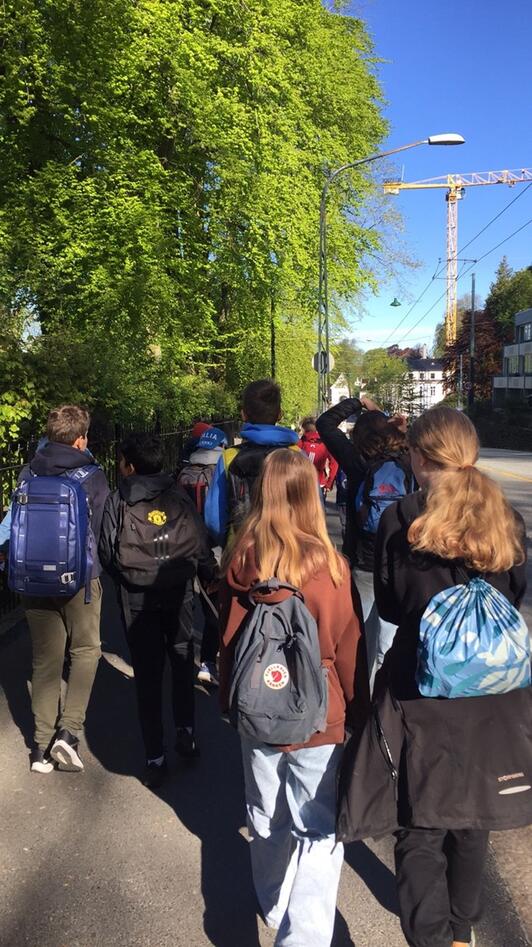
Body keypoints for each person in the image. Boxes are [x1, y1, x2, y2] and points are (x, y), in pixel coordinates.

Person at [337, 407, 532, 947]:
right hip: (493, 689)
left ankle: (430, 936)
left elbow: (391, 607)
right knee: (472, 814)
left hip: (421, 684)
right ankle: (461, 930)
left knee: (419, 818)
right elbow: (517, 592)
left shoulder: (402, 516)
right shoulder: (505, 515)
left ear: (420, 457)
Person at [219, 449, 367, 947]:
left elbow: (228, 641)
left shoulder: (240, 560)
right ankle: (303, 936)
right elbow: (348, 646)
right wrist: (357, 710)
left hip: (258, 707)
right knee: (319, 829)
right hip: (319, 712)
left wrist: (228, 703)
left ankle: (273, 902)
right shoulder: (333, 567)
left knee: (266, 816)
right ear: (310, 495)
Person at [99, 433, 217, 789]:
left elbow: (106, 551)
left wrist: (126, 577)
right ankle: (187, 731)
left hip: (137, 597)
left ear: (130, 466)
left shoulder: (119, 499)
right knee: (181, 662)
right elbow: (199, 542)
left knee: (148, 676)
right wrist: (208, 574)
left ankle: (155, 756)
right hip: (178, 591)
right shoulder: (177, 493)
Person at [18, 406, 109, 774]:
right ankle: (68, 732)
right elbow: (100, 530)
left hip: (32, 579)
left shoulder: (28, 472)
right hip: (79, 578)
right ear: (80, 439)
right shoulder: (93, 476)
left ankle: (40, 748)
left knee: (45, 660)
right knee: (86, 650)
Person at [317, 396, 412, 686]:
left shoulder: (357, 461)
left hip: (364, 562)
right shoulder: (407, 459)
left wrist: (358, 402)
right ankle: (389, 697)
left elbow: (325, 423)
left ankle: (363, 699)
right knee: (391, 638)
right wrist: (389, 420)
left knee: (362, 639)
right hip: (401, 562)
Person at [204, 379, 299, 546]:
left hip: (241, 551)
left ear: (243, 414)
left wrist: (229, 545)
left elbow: (214, 519)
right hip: (288, 551)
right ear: (280, 414)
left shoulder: (229, 457)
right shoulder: (298, 456)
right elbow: (313, 510)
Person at [178, 426, 228, 686]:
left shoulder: (183, 473)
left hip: (183, 549)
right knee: (214, 609)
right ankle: (208, 661)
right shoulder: (221, 473)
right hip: (212, 550)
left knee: (184, 606)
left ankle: (182, 658)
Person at [298, 416, 338, 501]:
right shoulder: (326, 443)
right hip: (319, 482)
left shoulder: (300, 443)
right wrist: (329, 483)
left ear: (304, 429)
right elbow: (334, 464)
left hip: (300, 482)